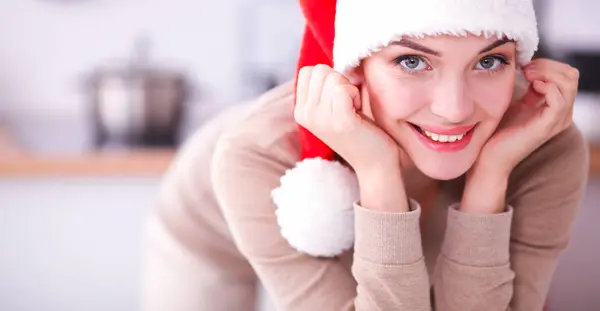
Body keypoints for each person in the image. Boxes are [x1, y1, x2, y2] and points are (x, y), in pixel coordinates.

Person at [140, 0, 589, 310]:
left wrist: (492, 174)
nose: (454, 109)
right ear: (353, 68)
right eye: (412, 61)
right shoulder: (257, 156)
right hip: (214, 228)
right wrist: (377, 172)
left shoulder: (541, 144)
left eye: (488, 62)